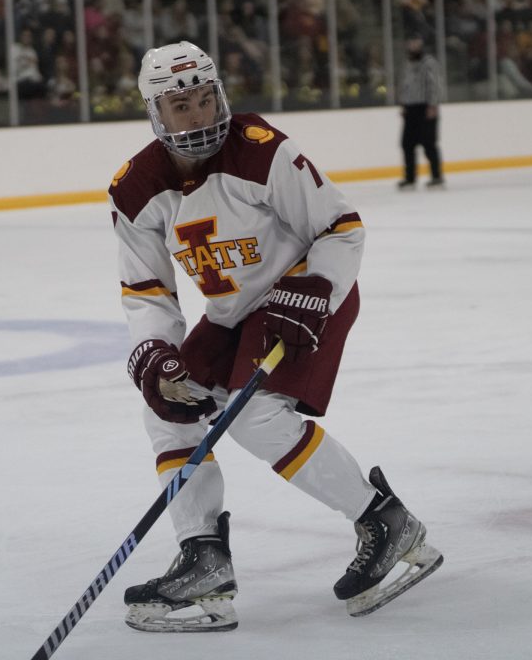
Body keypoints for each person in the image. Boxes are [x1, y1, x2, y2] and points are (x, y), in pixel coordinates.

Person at [108, 41, 443, 633]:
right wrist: (156, 352)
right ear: (156, 112)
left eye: (207, 99)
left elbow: (340, 227)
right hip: (234, 313)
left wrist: (316, 287)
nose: (200, 115)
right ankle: (203, 555)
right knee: (169, 408)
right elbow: (146, 290)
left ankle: (384, 521)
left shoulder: (263, 152)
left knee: (254, 416)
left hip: (305, 297)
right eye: (182, 105)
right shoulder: (136, 188)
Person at [396, 35, 444, 189]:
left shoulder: (429, 63)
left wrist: (433, 105)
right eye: (411, 43)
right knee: (407, 144)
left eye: (416, 43)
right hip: (410, 108)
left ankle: (436, 176)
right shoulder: (408, 63)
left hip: (425, 108)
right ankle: (410, 178)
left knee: (429, 143)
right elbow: (405, 85)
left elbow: (435, 84)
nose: (413, 46)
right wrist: (403, 104)